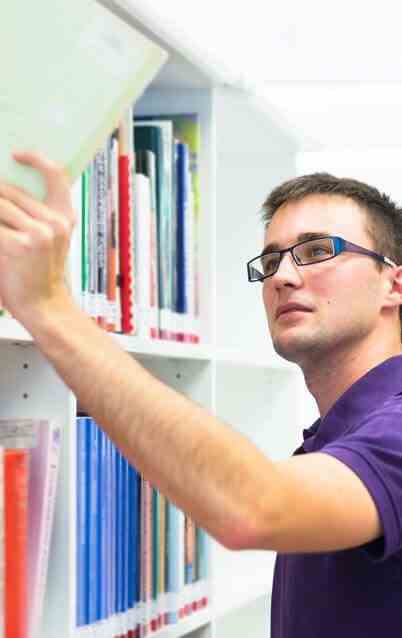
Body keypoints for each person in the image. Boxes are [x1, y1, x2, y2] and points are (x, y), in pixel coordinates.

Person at [0, 151, 402, 637]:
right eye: (271, 260)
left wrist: (48, 305)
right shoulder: (332, 437)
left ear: (393, 283)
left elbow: (254, 508)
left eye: (317, 251)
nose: (282, 276)